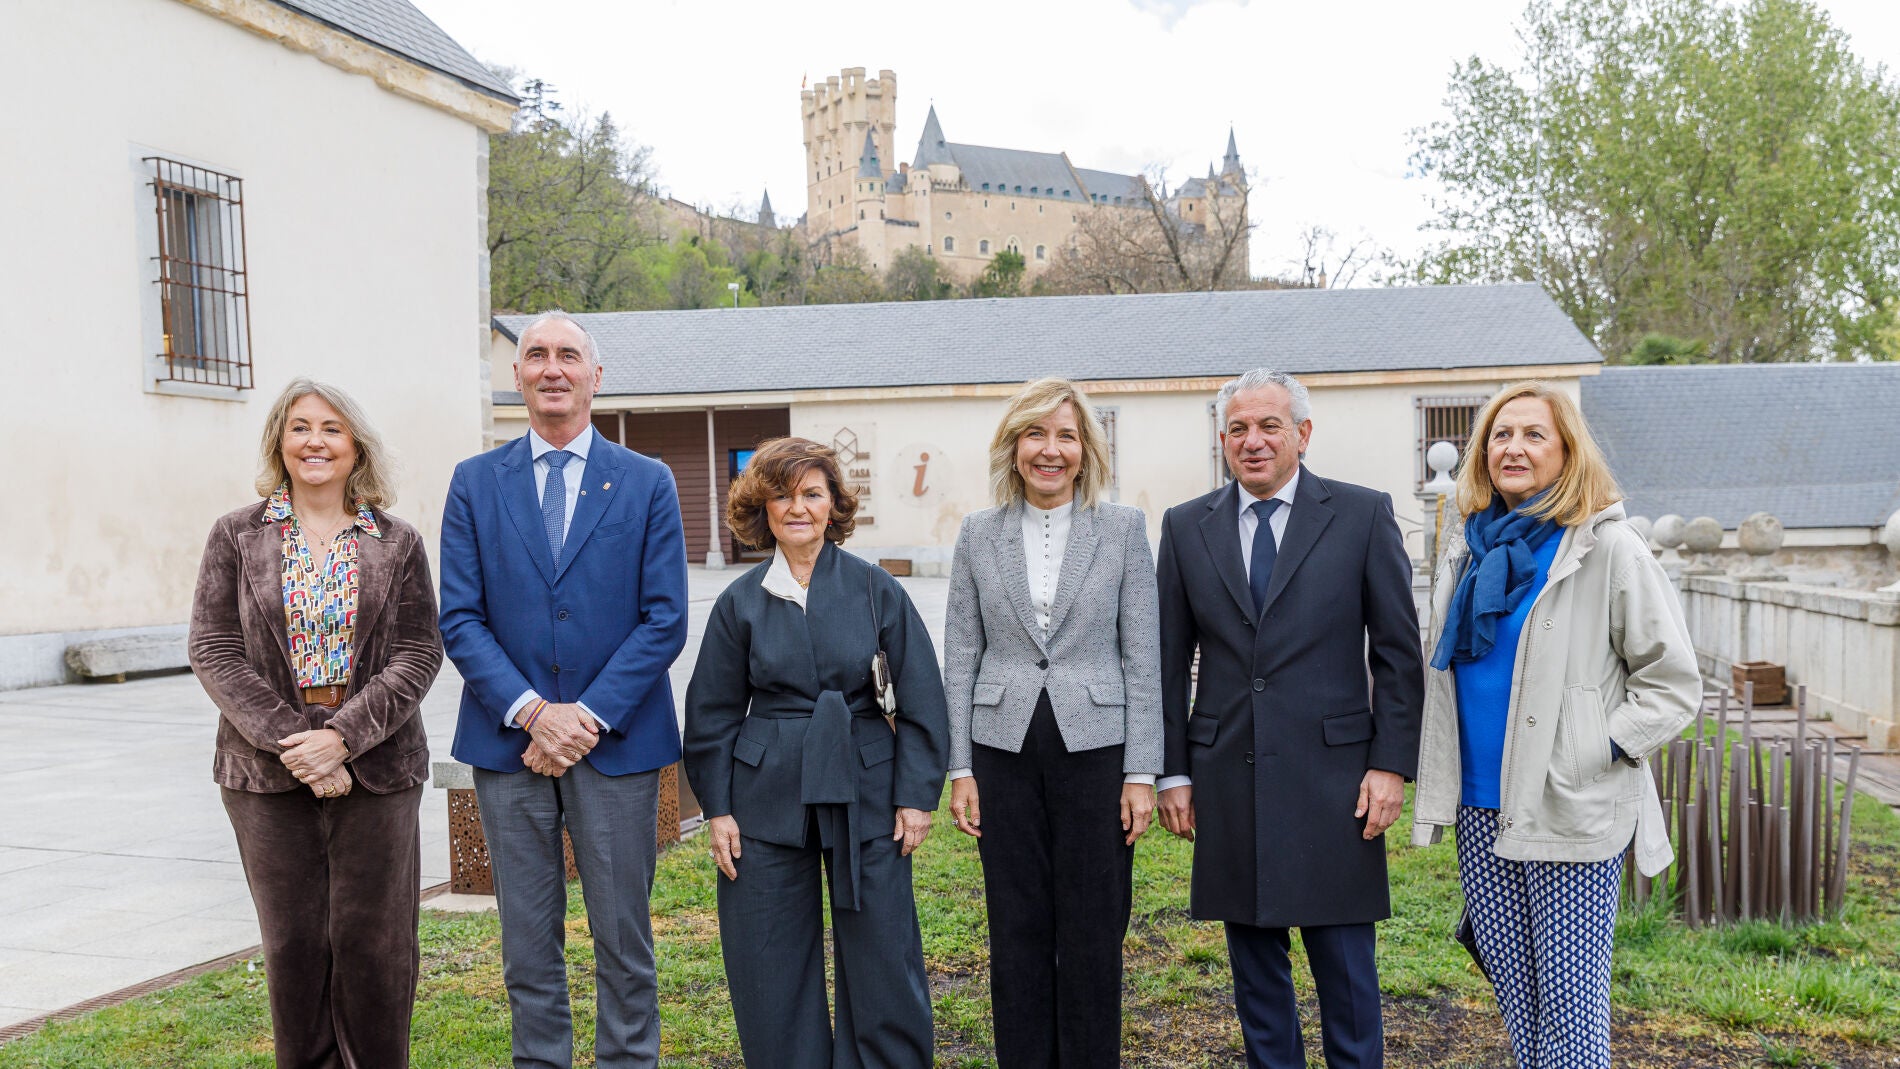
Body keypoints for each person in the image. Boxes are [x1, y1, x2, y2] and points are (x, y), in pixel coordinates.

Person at [1409, 382, 1699, 1068]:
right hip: (1482, 807)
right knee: (1520, 1006)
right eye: (1500, 435)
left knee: (1570, 1018)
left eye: (1534, 434)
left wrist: (1592, 748)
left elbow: (1673, 682)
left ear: (1568, 451)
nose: (1513, 447)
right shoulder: (1470, 549)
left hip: (1570, 803)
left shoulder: (1606, 548)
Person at [439, 310, 688, 1069]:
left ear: (595, 376)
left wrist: (584, 717)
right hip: (506, 742)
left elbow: (665, 617)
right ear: (516, 375)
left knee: (624, 936)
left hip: (617, 745)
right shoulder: (475, 483)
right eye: (536, 354)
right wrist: (535, 714)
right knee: (526, 938)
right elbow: (460, 615)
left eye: (568, 355)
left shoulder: (647, 482)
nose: (552, 367)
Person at [1154, 368, 1424, 1069]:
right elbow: (1164, 658)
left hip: (1336, 780)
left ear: (1302, 433)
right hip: (1227, 776)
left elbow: (1397, 653)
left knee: (1347, 978)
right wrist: (1173, 770)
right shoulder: (1186, 527)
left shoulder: (1363, 514)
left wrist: (1391, 763)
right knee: (1258, 981)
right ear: (1222, 440)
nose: (1253, 440)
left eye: (1269, 425)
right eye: (1238, 428)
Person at [188, 378, 443, 1068]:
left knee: (376, 944)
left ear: (354, 443)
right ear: (279, 440)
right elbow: (213, 648)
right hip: (265, 775)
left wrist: (342, 739)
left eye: (331, 428)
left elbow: (420, 651)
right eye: (299, 427)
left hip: (380, 768)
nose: (315, 441)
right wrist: (295, 744)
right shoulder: (237, 535)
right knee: (294, 945)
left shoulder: (396, 541)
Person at [683, 436, 949, 1069]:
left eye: (811, 493)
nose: (797, 507)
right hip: (764, 799)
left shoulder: (875, 589)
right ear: (762, 508)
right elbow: (711, 714)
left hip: (869, 790)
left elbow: (921, 697)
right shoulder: (739, 601)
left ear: (833, 505)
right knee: (767, 954)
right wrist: (717, 809)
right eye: (782, 495)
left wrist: (916, 796)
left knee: (884, 951)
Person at [941, 378, 1161, 1067]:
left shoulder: (1123, 529)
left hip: (1098, 753)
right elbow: (962, 652)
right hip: (1000, 751)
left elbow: (1142, 654)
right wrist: (959, 767)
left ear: (1086, 448)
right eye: (1035, 433)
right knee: (1017, 928)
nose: (1050, 449)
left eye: (1065, 435)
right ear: (1013, 446)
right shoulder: (978, 533)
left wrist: (1141, 771)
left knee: (1095, 930)